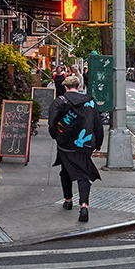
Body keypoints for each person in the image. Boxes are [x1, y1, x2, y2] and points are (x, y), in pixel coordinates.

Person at [48, 75, 104, 222]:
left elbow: (52, 123)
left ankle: (68, 200)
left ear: (65, 87)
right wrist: (98, 143)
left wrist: (56, 137)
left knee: (65, 170)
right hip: (84, 144)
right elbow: (98, 124)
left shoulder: (59, 101)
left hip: (65, 144)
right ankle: (84, 206)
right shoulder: (90, 102)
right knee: (83, 173)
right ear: (78, 86)